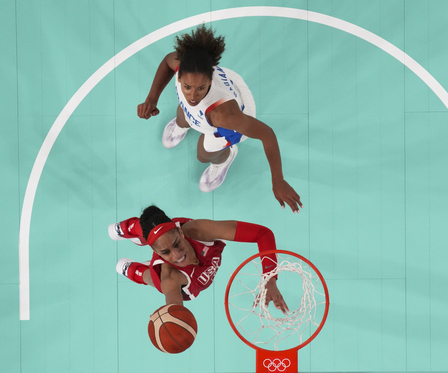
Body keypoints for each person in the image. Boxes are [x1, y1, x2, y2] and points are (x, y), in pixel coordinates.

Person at [137, 24, 303, 213]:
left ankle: (224, 159)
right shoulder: (183, 67)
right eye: (187, 87)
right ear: (180, 75)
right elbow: (167, 61)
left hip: (231, 123)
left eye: (200, 88)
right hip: (212, 106)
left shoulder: (224, 115)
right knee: (184, 112)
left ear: (210, 80)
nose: (192, 95)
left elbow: (267, 134)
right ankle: (184, 125)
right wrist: (151, 99)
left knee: (203, 154)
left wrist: (278, 180)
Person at [109, 205, 289, 312]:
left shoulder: (198, 231)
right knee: (151, 278)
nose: (177, 255)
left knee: (153, 225)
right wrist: (173, 323)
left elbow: (262, 233)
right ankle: (134, 269)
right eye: (165, 253)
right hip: (170, 275)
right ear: (158, 254)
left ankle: (133, 228)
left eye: (177, 244)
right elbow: (175, 310)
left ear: (180, 232)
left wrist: (270, 279)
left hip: (174, 238)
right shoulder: (170, 277)